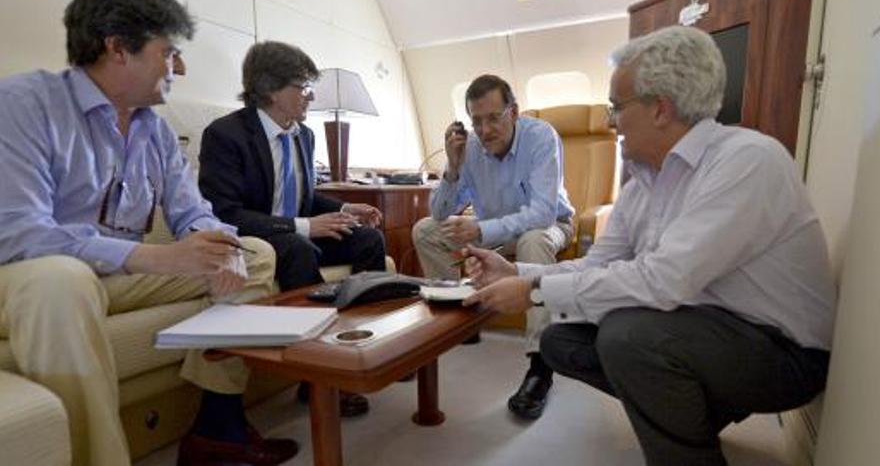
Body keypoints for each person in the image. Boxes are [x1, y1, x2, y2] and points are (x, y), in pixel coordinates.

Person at [461, 25, 835, 466]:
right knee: (560, 342)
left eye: (616, 106)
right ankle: (692, 414)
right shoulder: (643, 182)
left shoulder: (747, 161)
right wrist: (518, 274)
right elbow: (598, 264)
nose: (609, 121)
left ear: (661, 109)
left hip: (784, 353)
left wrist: (534, 291)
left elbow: (660, 281)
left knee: (629, 337)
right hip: (702, 326)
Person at [0, 0, 299, 465]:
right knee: (61, 280)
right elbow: (20, 233)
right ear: (117, 48)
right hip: (30, 274)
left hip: (116, 274)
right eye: (169, 51)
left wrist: (214, 245)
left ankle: (217, 426)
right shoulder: (23, 104)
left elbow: (193, 213)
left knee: (254, 253)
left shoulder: (156, 131)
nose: (179, 65)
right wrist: (157, 256)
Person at [198, 41, 386, 417]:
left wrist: (345, 208)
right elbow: (225, 211)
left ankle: (371, 346)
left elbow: (304, 197)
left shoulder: (303, 134)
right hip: (260, 237)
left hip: (295, 231)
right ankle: (316, 374)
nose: (310, 96)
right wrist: (303, 227)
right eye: (303, 86)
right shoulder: (226, 135)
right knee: (298, 248)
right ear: (270, 89)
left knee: (368, 239)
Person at [412, 74, 575, 420]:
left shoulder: (541, 137)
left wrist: (481, 230)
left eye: (493, 118)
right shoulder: (469, 147)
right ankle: (463, 319)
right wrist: (453, 167)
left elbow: (542, 212)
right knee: (425, 230)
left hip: (549, 225)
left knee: (532, 240)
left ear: (513, 112)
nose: (484, 131)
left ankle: (540, 366)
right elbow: (439, 212)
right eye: (476, 121)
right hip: (495, 233)